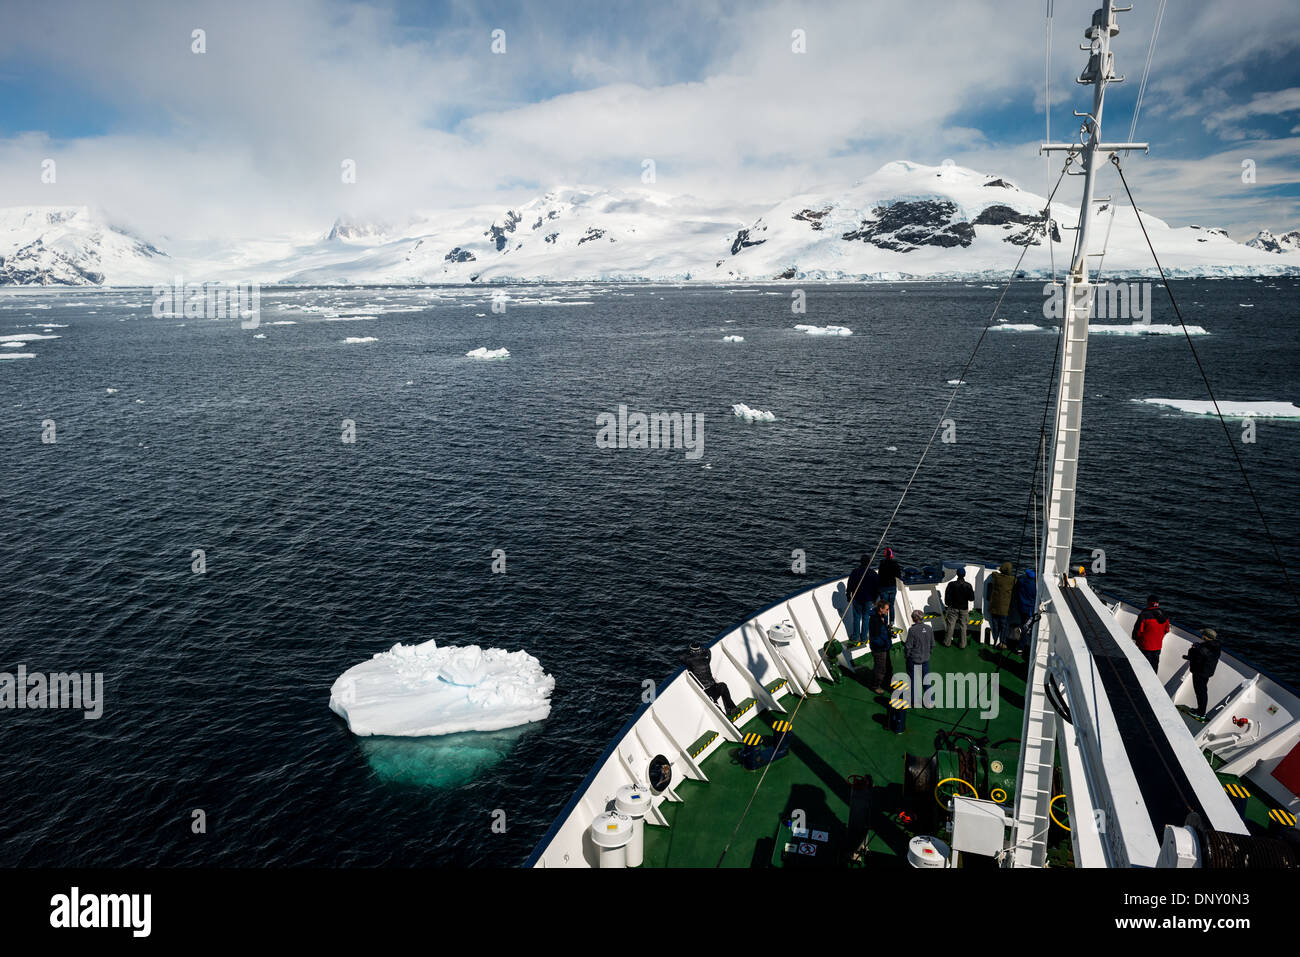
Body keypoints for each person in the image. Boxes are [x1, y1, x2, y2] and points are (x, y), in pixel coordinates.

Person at [682, 641, 736, 713]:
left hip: (706, 691)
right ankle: (732, 708)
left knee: (714, 702)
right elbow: (708, 651)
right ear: (699, 649)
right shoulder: (706, 657)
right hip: (713, 686)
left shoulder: (690, 660)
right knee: (723, 686)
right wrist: (701, 650)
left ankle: (724, 714)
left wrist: (689, 652)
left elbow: (681, 657)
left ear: (691, 651)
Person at [1183, 628, 1222, 719]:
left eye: (1203, 634)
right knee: (1202, 691)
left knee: (1200, 692)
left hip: (1200, 672)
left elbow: (1196, 657)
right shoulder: (1215, 646)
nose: (1202, 636)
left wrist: (1194, 649)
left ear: (1206, 637)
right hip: (1206, 672)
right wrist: (1198, 647)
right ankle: (1200, 710)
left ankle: (1201, 713)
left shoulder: (1203, 648)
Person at [1131, 595, 1171, 672]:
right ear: (1158, 603)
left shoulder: (1144, 615)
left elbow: (1138, 631)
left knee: (1144, 665)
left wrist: (1135, 638)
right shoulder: (1164, 615)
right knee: (1155, 665)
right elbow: (1166, 630)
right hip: (1157, 645)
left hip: (1145, 645)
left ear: (1148, 602)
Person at [847, 554, 880, 644]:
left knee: (857, 617)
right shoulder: (873, 573)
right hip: (868, 599)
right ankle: (864, 638)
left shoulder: (855, 572)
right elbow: (877, 588)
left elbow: (849, 584)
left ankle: (855, 637)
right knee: (866, 618)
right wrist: (875, 599)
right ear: (869, 563)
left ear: (860, 562)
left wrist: (848, 596)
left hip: (857, 598)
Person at [905, 610, 934, 708]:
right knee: (926, 680)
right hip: (925, 659)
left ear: (913, 619)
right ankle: (929, 702)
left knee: (913, 681)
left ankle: (914, 701)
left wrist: (907, 656)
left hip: (914, 660)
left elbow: (908, 646)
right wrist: (927, 654)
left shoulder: (912, 630)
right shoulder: (929, 628)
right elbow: (932, 644)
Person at [984, 562, 1016, 648]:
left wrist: (999, 570)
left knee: (995, 624)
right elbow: (1016, 580)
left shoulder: (997, 577)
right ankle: (1003, 642)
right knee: (1004, 625)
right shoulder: (1012, 580)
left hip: (994, 607)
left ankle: (995, 640)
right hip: (1004, 608)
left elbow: (993, 573)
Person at [943, 569, 974, 649]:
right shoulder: (968, 585)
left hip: (953, 608)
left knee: (950, 625)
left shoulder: (951, 584)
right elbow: (971, 598)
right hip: (964, 609)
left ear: (957, 574)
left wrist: (948, 604)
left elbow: (947, 597)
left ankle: (947, 642)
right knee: (963, 626)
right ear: (964, 575)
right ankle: (962, 644)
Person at [868, 598, 893, 693]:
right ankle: (875, 686)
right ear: (881, 609)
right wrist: (884, 644)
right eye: (886, 609)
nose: (888, 611)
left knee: (888, 667)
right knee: (880, 668)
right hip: (879, 649)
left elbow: (881, 632)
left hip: (884, 647)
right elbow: (875, 637)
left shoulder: (880, 617)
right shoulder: (875, 620)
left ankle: (886, 682)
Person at [1012, 568, 1037, 655]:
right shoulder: (1034, 586)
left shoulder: (1022, 581)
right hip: (1029, 610)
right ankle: (1021, 648)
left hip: (1021, 608)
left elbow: (1019, 579)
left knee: (1024, 626)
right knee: (1026, 628)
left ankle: (1021, 645)